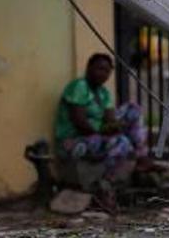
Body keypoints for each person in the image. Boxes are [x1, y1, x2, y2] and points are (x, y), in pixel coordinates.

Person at [54, 53, 158, 210]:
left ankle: (141, 156)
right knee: (122, 142)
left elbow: (110, 121)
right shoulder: (79, 86)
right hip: (74, 140)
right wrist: (110, 133)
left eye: (107, 71)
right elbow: (79, 122)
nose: (103, 74)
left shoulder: (103, 92)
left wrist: (117, 127)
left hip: (96, 136)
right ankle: (106, 185)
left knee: (133, 109)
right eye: (100, 69)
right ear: (89, 68)